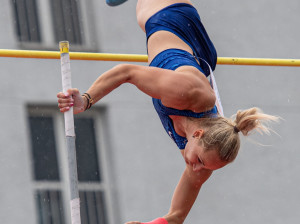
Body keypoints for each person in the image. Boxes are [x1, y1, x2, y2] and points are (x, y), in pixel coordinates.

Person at [57, 1, 279, 223]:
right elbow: (127, 72)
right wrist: (86, 101)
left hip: (192, 50)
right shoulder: (187, 93)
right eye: (200, 161)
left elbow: (175, 217)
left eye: (205, 167)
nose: (196, 168)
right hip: (170, 14)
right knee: (142, 15)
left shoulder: (204, 155)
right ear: (199, 134)